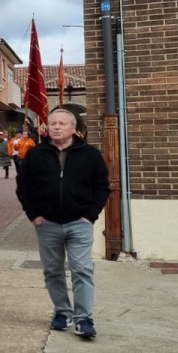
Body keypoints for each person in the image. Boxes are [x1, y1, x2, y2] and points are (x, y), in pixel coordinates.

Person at [16, 108, 110, 339]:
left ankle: (84, 318)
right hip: (47, 224)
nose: (56, 127)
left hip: (79, 223)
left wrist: (90, 216)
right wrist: (33, 214)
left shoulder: (90, 155)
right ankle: (62, 312)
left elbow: (102, 187)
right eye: (53, 123)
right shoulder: (36, 154)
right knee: (53, 271)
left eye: (62, 124)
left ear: (74, 128)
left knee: (82, 270)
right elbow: (23, 187)